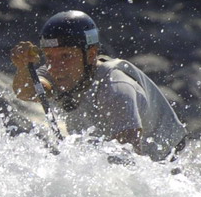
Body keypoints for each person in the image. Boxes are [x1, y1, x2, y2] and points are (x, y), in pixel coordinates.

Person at [11, 10, 186, 160]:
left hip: (162, 163)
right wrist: (23, 68)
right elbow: (25, 92)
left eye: (66, 56)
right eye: (49, 57)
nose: (55, 67)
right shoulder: (58, 72)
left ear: (91, 55)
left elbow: (129, 162)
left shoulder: (117, 88)